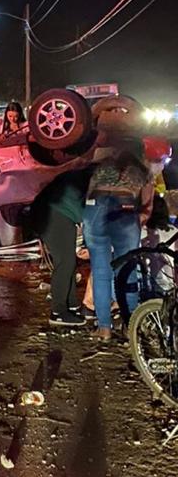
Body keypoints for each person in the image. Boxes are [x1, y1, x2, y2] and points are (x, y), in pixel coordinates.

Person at [83, 136, 155, 340]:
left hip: (95, 207)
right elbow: (147, 208)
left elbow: (88, 193)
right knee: (128, 270)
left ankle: (104, 328)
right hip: (126, 206)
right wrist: (135, 221)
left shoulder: (102, 166)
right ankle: (131, 325)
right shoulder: (142, 170)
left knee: (100, 270)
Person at [31, 167, 93, 327]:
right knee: (65, 263)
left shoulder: (81, 176)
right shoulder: (91, 184)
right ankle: (58, 311)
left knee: (69, 262)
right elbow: (90, 215)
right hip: (53, 215)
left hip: (54, 213)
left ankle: (71, 304)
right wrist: (90, 243)